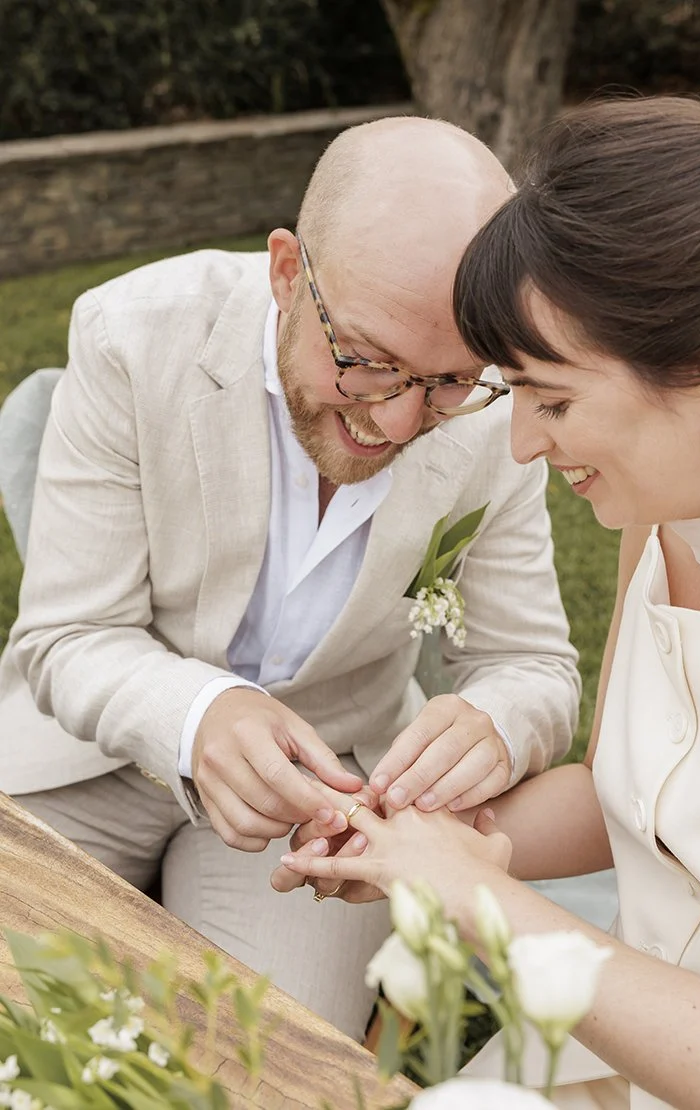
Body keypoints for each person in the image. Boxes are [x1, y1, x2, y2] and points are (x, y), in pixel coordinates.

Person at [0, 116, 581, 1038]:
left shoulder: (496, 421)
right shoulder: (129, 336)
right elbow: (66, 638)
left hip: (320, 814)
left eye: (445, 383)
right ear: (285, 271)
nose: (395, 425)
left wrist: (495, 724)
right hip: (84, 763)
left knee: (273, 1062)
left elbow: (537, 665)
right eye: (367, 362)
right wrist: (199, 717)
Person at [274, 96, 700, 1110]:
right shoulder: (655, 528)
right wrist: (405, 836)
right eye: (510, 393)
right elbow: (627, 793)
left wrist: (481, 897)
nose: (521, 444)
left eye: (554, 399)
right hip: (620, 1031)